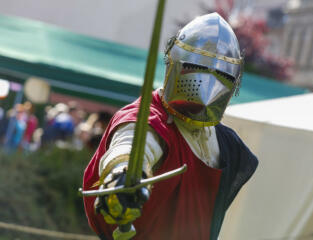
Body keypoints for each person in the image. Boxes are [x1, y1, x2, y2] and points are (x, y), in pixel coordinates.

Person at [83, 13, 258, 240]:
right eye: (196, 67)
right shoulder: (147, 119)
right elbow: (132, 145)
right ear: (175, 63)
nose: (208, 82)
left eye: (221, 73)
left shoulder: (227, 145)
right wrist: (122, 174)